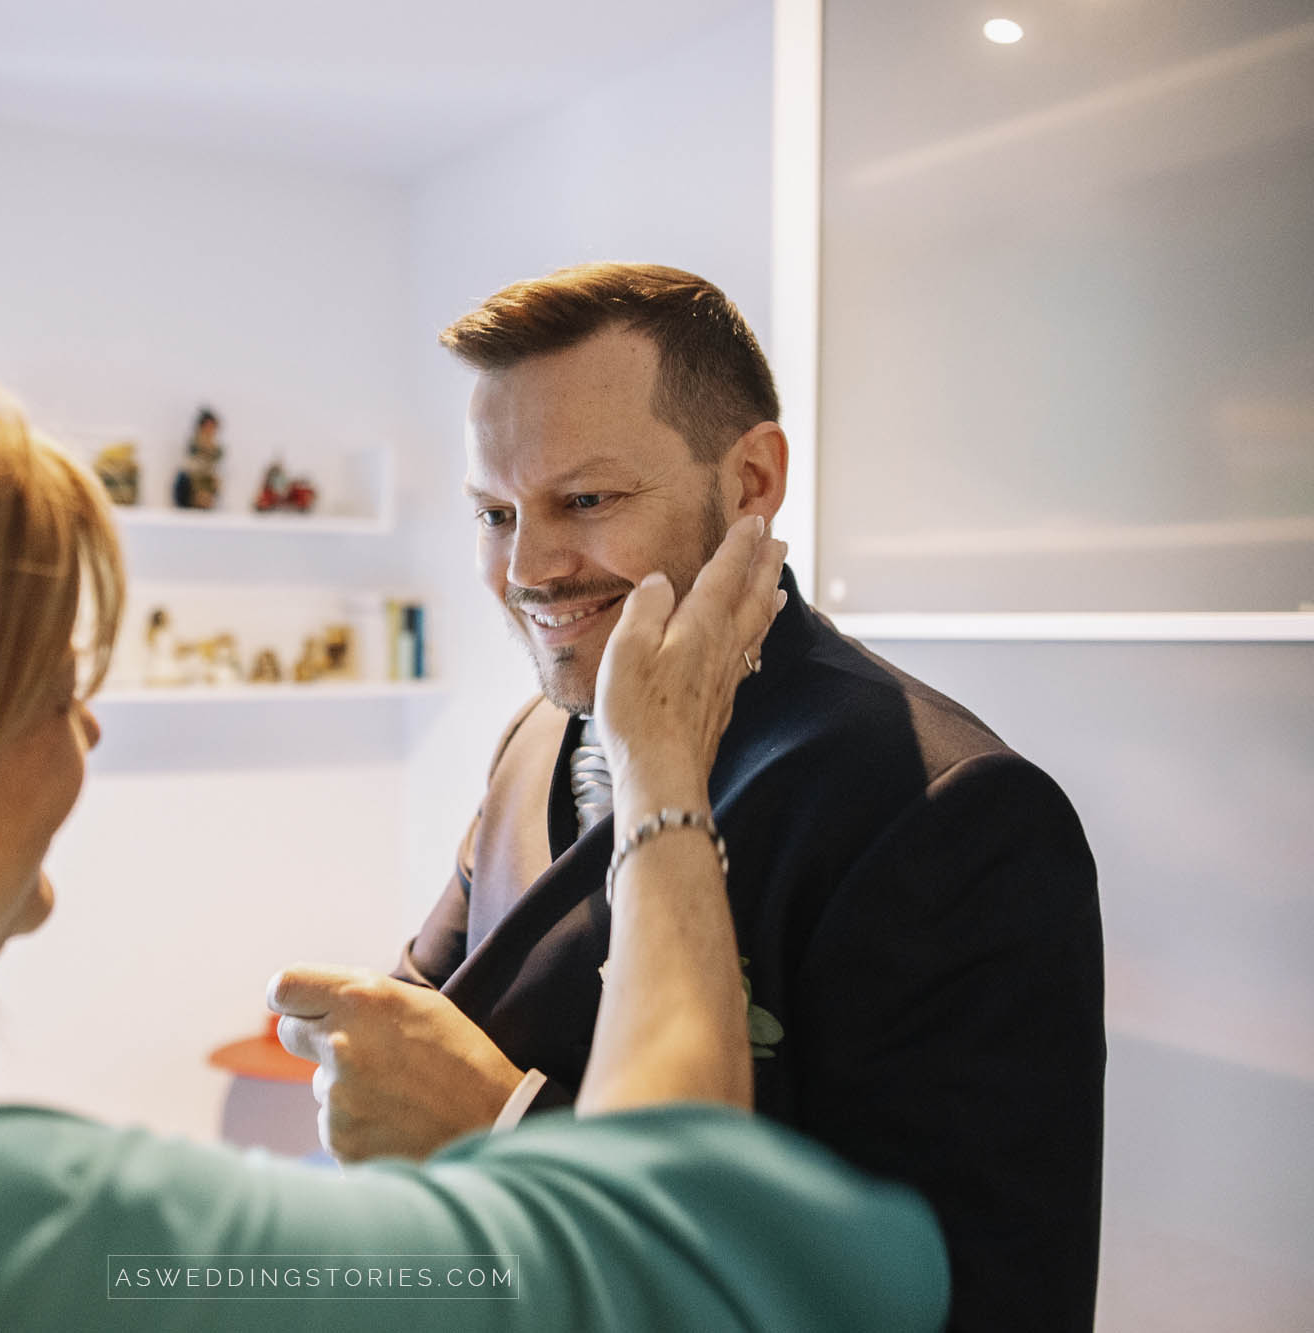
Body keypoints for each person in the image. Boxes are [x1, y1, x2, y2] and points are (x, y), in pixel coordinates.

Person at [0, 321, 946, 1331]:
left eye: (582, 500)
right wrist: (661, 784)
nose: (89, 733)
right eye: (57, 681)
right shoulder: (34, 1256)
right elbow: (715, 1257)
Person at [272, 264, 1106, 1332]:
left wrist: (508, 1125)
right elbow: (427, 1025)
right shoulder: (532, 741)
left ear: (751, 480)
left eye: (584, 501)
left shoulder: (953, 813)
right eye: (492, 513)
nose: (525, 568)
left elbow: (979, 1304)